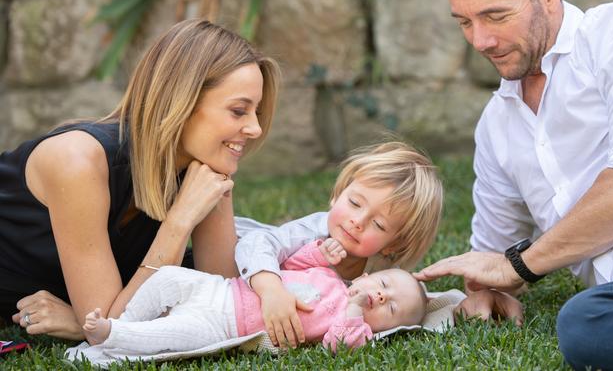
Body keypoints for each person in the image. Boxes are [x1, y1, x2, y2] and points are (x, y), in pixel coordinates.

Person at [411, 0, 613, 370]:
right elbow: (492, 257)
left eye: (496, 16)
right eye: (464, 22)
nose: (480, 40)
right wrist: (487, 287)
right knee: (586, 326)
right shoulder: (496, 127)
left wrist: (519, 265)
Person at [0, 19, 280, 340]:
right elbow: (111, 331)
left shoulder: (204, 164)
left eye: (256, 111)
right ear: (182, 102)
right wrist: (178, 221)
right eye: (238, 111)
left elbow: (225, 303)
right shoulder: (77, 161)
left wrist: (81, 323)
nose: (255, 128)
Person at [234, 141, 443, 349]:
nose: (358, 222)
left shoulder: (381, 275)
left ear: (394, 244)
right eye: (354, 203)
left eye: (378, 224)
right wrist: (271, 290)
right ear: (338, 194)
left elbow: (409, 300)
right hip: (234, 250)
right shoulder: (313, 232)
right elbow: (258, 242)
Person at [80, 238, 428, 355]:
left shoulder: (351, 326)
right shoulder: (329, 276)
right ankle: (125, 320)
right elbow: (292, 263)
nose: (380, 297)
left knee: (178, 335)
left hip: (225, 325)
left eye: (391, 306)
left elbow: (339, 344)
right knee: (169, 277)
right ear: (366, 276)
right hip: (223, 288)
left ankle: (115, 336)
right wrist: (322, 252)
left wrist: (354, 307)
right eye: (383, 285)